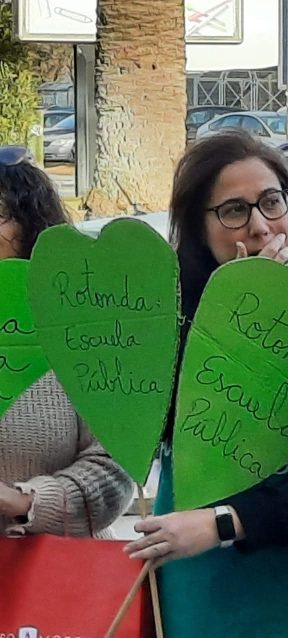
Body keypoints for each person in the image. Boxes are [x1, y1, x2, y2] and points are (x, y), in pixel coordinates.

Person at [122, 131, 288, 635]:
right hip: (193, 587)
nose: (261, 225)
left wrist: (226, 522)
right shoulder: (175, 316)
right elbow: (152, 430)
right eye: (234, 211)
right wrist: (236, 315)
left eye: (272, 201)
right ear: (199, 228)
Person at [0, 145, 134, 536]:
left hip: (57, 567)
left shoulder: (81, 329)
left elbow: (114, 468)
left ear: (30, 224)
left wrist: (24, 502)